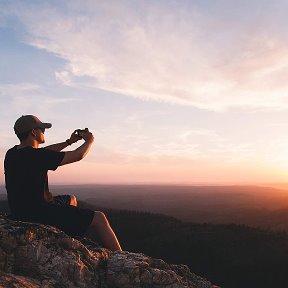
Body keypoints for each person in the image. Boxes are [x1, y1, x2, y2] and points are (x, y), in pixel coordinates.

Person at [4, 115, 122, 252]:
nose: (43, 131)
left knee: (71, 199)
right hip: (38, 213)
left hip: (20, 211)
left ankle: (66, 232)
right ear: (33, 132)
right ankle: (122, 259)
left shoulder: (12, 153)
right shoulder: (35, 156)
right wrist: (89, 141)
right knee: (99, 218)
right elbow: (78, 155)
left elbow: (46, 151)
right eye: (42, 129)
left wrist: (69, 141)